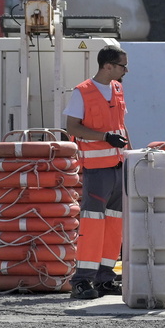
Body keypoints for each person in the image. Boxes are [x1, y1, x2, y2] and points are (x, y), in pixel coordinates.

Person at [64, 45, 131, 300]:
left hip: (118, 168)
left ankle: (105, 278)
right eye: (123, 66)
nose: (126, 70)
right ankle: (81, 280)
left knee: (114, 225)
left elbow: (121, 126)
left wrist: (129, 155)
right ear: (108, 66)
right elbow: (72, 128)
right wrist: (104, 137)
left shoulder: (117, 89)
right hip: (97, 170)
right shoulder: (82, 92)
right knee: (92, 225)